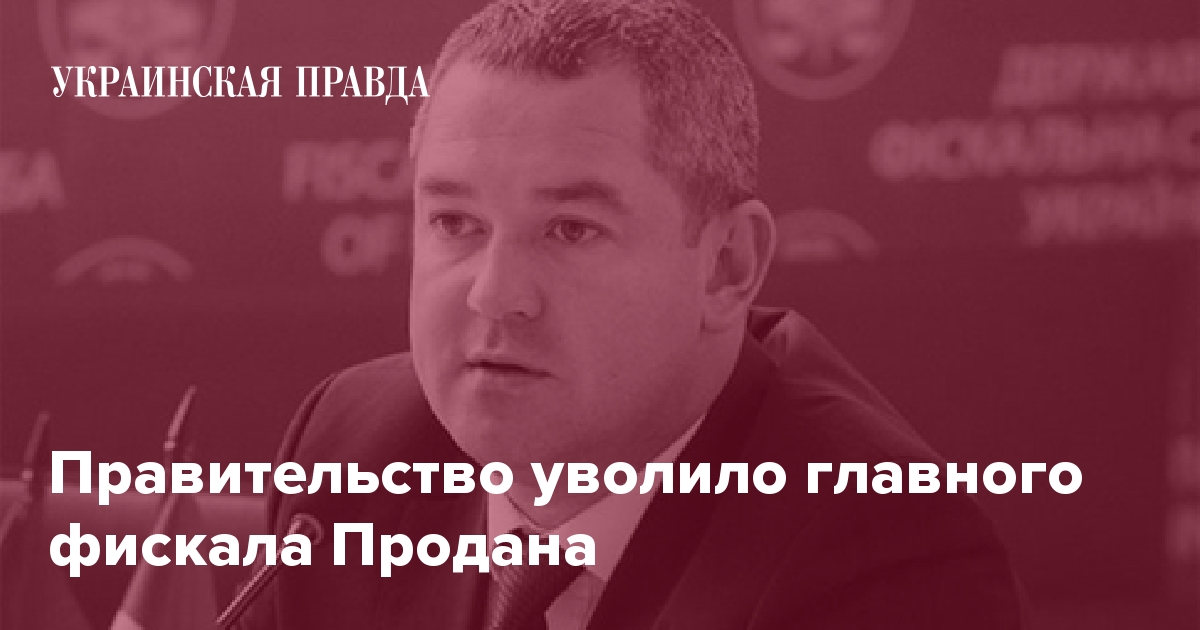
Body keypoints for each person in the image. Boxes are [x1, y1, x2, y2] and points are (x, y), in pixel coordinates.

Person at [242, 0, 1025, 627]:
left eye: (570, 230)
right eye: (455, 223)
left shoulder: (884, 556)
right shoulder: (351, 451)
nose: (494, 293)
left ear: (727, 266)